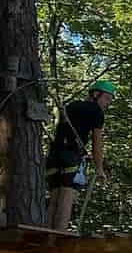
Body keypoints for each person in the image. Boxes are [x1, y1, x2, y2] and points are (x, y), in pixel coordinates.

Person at [45, 79, 115, 231]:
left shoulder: (71, 106)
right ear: (96, 94)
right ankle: (59, 235)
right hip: (72, 157)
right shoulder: (97, 112)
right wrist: (99, 168)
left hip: (54, 156)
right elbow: (97, 143)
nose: (108, 103)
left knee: (55, 197)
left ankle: (47, 234)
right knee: (67, 196)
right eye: (107, 98)